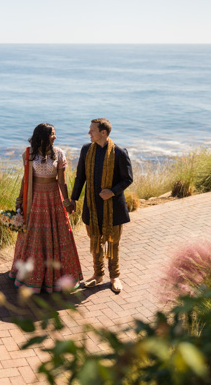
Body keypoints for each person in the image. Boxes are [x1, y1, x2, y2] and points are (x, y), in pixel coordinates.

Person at [8, 123, 84, 292]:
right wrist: (20, 198)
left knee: (58, 234)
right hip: (34, 199)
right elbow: (25, 178)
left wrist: (67, 201)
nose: (55, 137)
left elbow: (62, 181)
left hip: (53, 198)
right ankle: (33, 276)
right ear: (42, 136)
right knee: (34, 235)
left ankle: (56, 277)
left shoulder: (59, 153)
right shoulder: (29, 154)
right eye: (52, 134)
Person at [70, 118, 133, 294]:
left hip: (113, 207)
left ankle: (114, 277)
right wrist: (73, 199)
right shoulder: (86, 150)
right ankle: (98, 274)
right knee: (95, 241)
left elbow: (127, 178)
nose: (89, 133)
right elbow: (80, 177)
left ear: (103, 133)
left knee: (113, 243)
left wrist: (112, 191)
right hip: (92, 205)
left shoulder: (119, 153)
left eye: (92, 131)